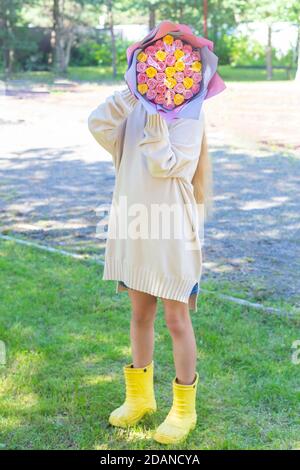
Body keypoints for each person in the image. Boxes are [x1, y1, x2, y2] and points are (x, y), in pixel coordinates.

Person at [88, 82, 212, 444]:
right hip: (135, 224)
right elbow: (98, 125)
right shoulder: (133, 106)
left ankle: (184, 409)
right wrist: (131, 95)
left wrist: (158, 119)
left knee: (176, 319)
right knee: (140, 315)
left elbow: (166, 165)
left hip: (171, 229)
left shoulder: (191, 114)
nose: (164, 78)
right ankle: (139, 398)